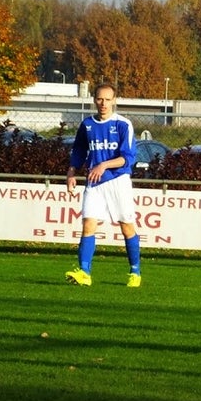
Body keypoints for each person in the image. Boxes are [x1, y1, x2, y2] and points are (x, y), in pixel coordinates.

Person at [65, 83, 142, 288]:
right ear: (94, 100)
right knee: (88, 224)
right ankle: (84, 272)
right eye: (100, 99)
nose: (103, 103)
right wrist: (71, 172)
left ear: (114, 101)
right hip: (94, 182)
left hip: (118, 181)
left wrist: (104, 165)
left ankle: (135, 271)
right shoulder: (87, 125)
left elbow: (128, 158)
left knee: (126, 227)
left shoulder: (123, 124)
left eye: (108, 99)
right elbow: (79, 151)